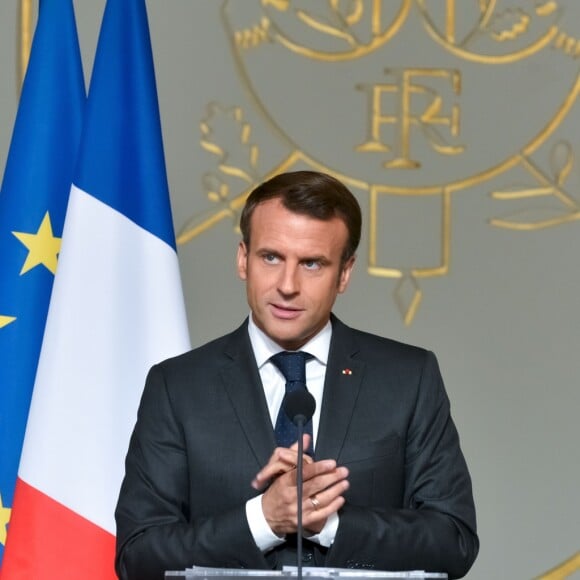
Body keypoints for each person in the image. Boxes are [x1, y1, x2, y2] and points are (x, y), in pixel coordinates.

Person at [115, 170, 478, 580]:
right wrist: (263, 520)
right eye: (271, 257)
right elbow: (138, 555)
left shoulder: (408, 378)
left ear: (344, 273)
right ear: (242, 259)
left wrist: (330, 523)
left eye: (312, 263)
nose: (287, 285)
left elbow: (454, 541)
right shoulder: (177, 386)